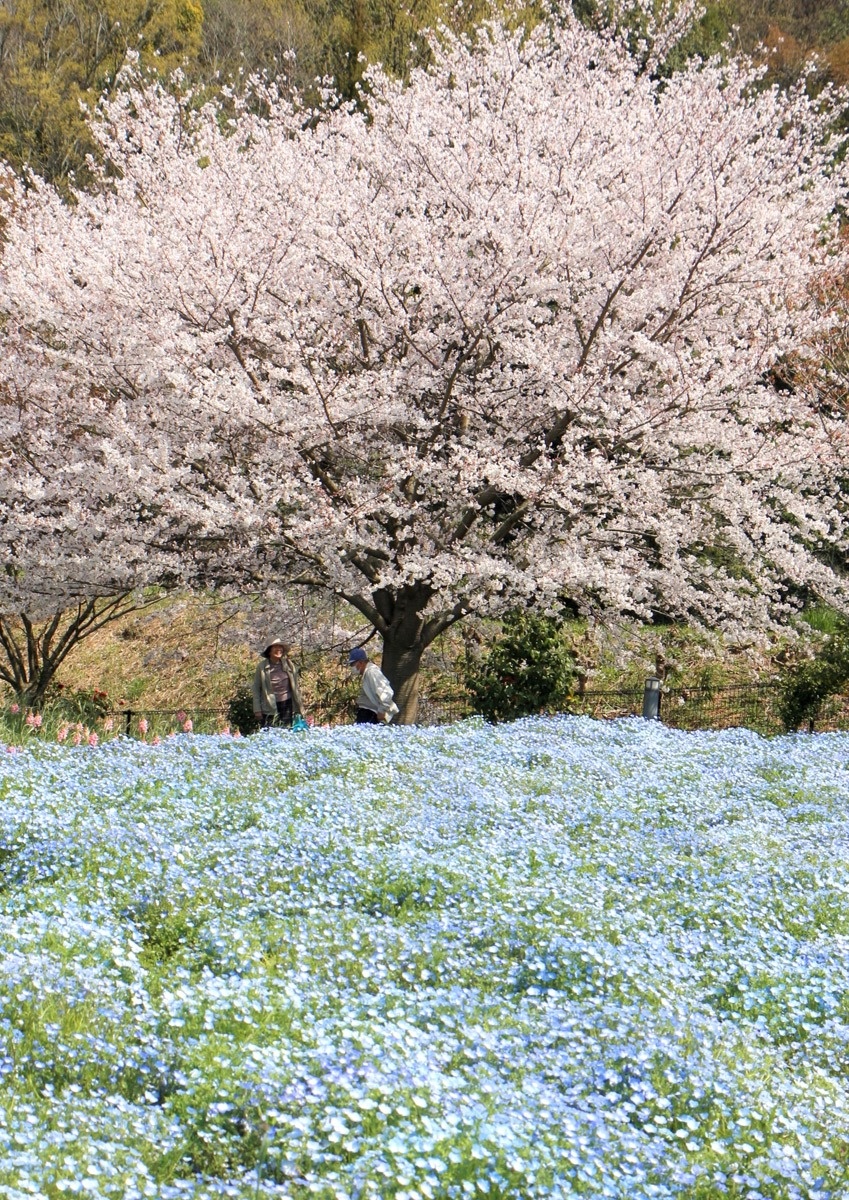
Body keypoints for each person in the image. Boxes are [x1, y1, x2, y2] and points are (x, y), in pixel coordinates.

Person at [252, 637, 304, 728]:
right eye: (275, 647)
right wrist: (257, 709)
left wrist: (299, 706)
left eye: (280, 647)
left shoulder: (289, 665)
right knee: (270, 734)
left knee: (286, 732)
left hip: (287, 704)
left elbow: (296, 687)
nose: (279, 649)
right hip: (268, 706)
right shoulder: (262, 667)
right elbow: (256, 688)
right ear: (269, 651)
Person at [349, 647, 400, 724]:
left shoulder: (372, 672)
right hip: (366, 712)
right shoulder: (367, 673)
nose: (351, 667)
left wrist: (382, 711)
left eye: (352, 664)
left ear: (360, 663)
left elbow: (386, 692)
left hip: (371, 714)